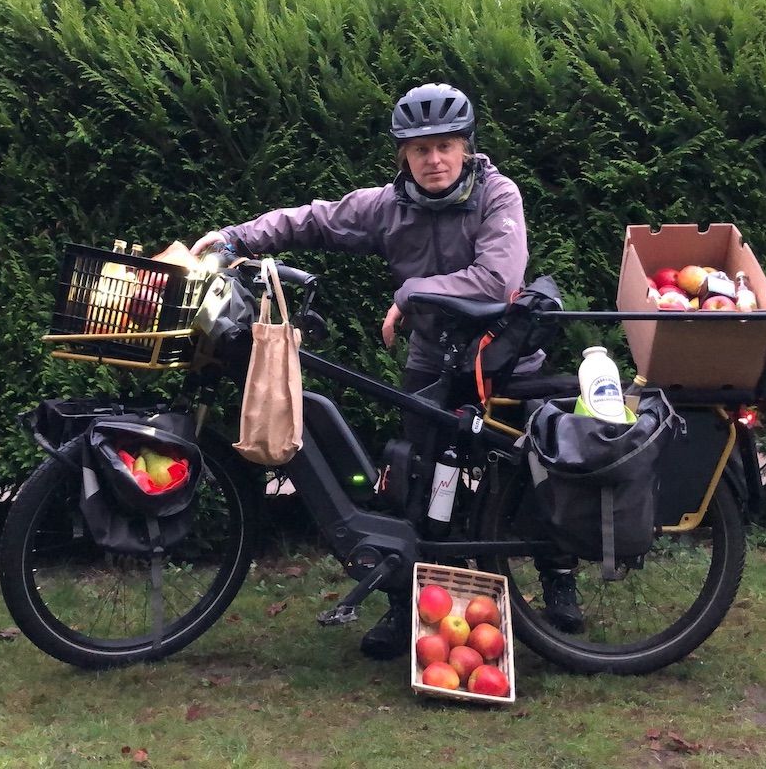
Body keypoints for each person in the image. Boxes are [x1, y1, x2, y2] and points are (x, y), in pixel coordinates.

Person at [191, 82, 582, 657]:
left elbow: (498, 280)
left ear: (467, 147)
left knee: (535, 471)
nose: (434, 159)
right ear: (403, 155)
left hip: (503, 355)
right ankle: (407, 606)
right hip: (432, 361)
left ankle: (559, 579)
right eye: (420, 148)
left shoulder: (498, 196)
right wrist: (234, 239)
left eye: (446, 145)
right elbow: (313, 221)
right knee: (412, 481)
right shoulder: (387, 207)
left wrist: (411, 294)